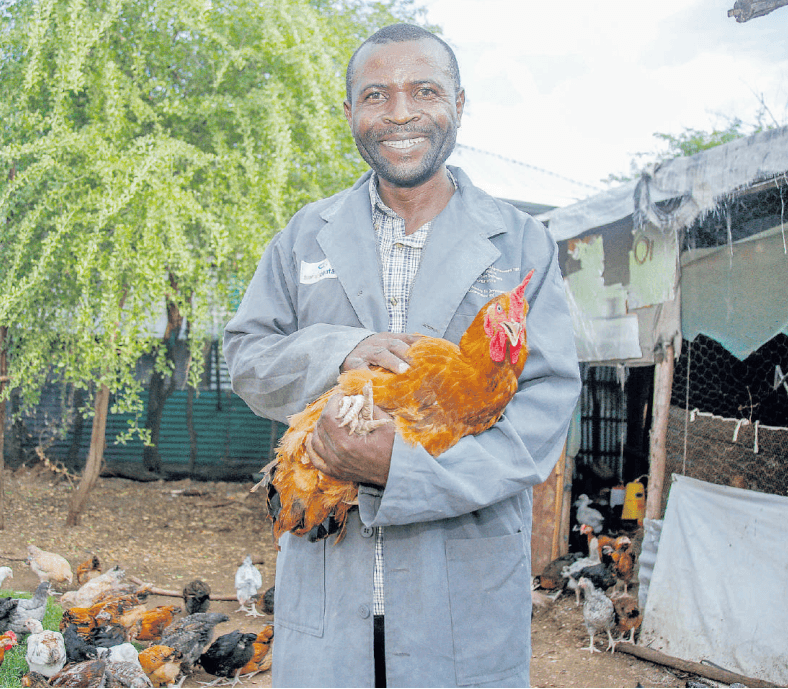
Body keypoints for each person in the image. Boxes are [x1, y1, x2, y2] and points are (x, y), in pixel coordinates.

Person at [223, 22, 581, 688]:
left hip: (463, 592)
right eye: (375, 95)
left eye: (423, 90)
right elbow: (245, 356)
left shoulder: (521, 244)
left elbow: (543, 413)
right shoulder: (305, 236)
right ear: (349, 112)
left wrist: (403, 469)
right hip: (329, 577)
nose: (399, 113)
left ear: (458, 103)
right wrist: (340, 351)